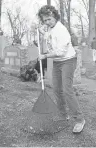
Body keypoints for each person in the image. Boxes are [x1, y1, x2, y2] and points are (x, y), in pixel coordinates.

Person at [38, 5, 85, 133]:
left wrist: (45, 56)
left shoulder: (61, 30)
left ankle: (79, 119)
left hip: (68, 61)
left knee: (67, 89)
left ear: (55, 16)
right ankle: (63, 114)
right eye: (45, 20)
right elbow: (48, 41)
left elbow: (60, 52)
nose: (47, 22)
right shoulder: (50, 29)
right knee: (57, 89)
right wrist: (43, 34)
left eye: (49, 19)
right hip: (58, 62)